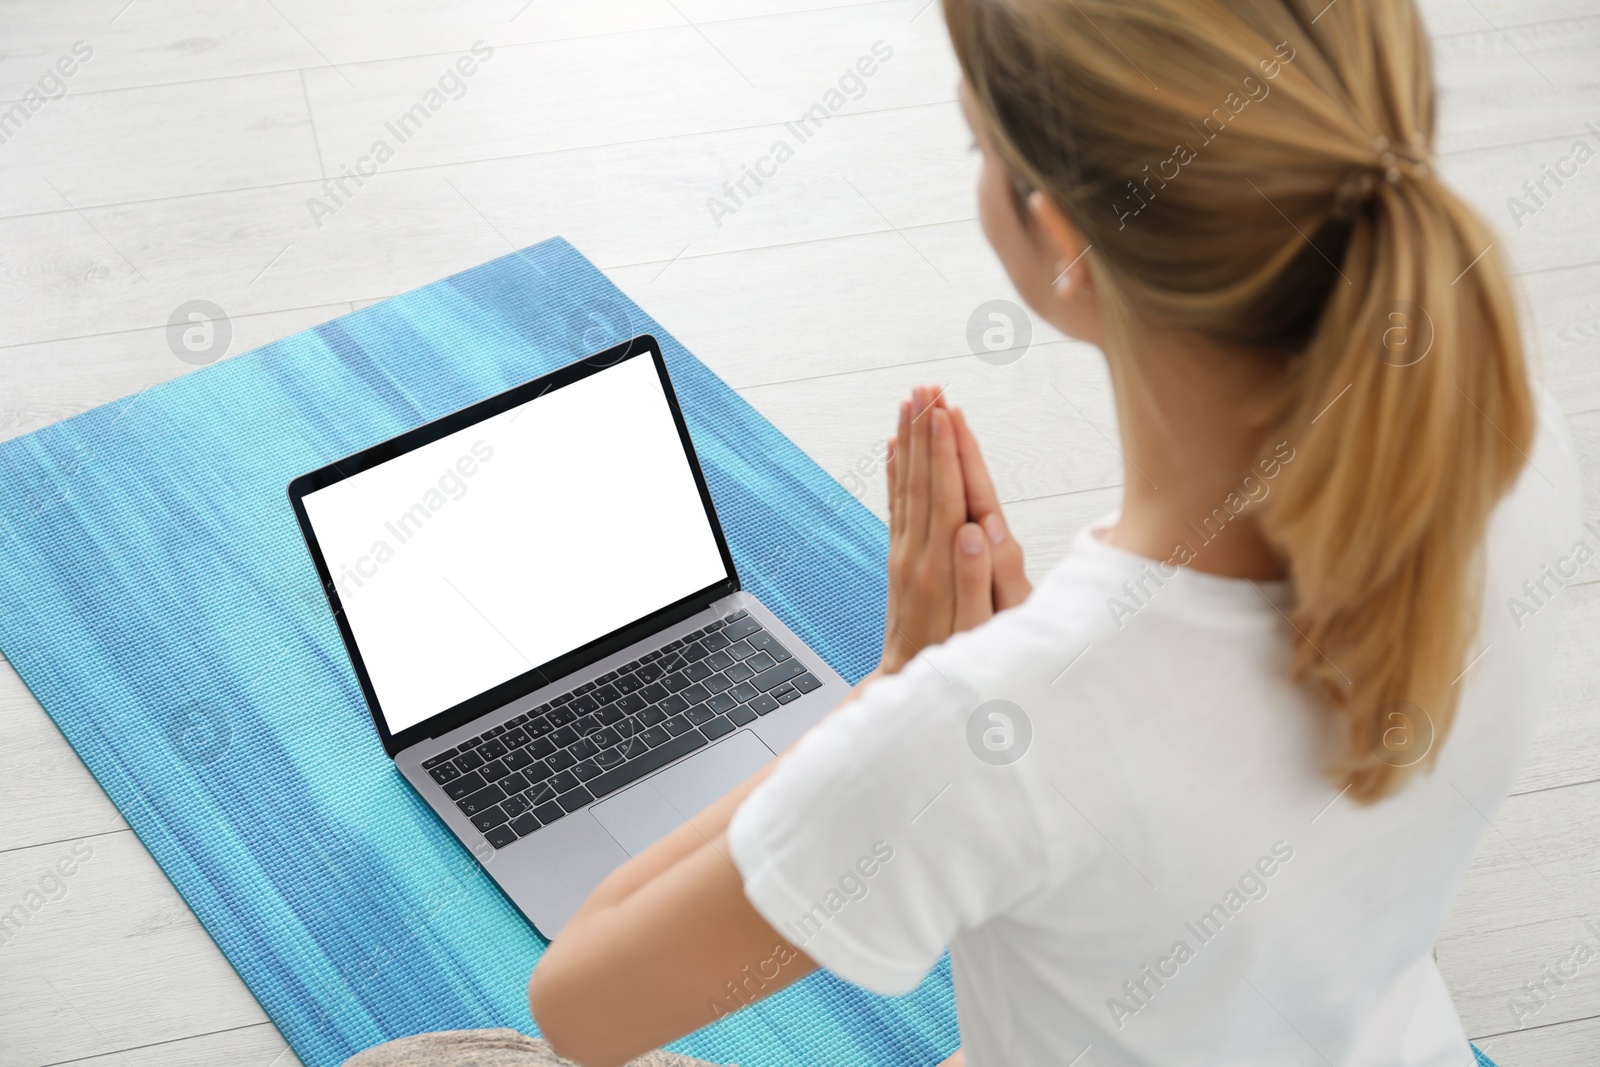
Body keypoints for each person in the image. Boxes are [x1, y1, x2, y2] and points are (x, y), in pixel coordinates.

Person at [351, 0, 1582, 1064]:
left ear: (1058, 240)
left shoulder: (1001, 726)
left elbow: (580, 1004)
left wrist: (893, 694)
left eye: (982, 148)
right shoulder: (1504, 437)